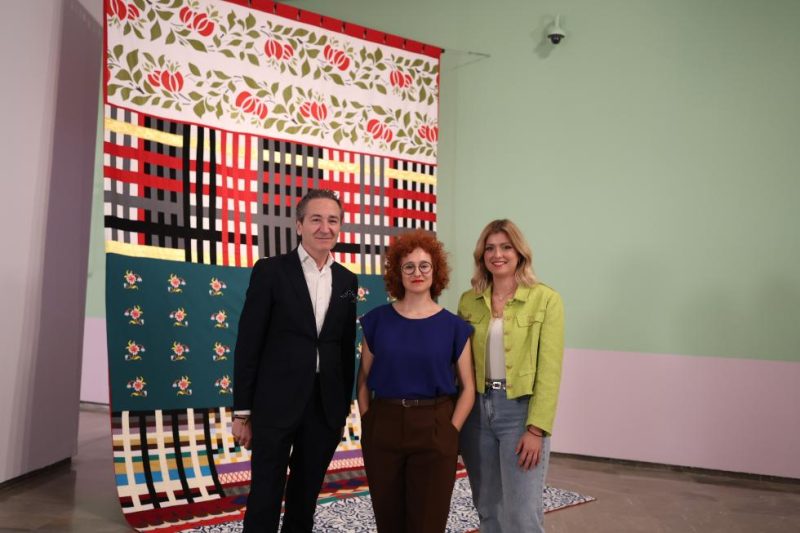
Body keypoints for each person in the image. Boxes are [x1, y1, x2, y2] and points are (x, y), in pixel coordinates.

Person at [231, 189, 358, 532]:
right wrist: (242, 411)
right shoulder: (270, 271)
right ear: (299, 225)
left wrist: (342, 408)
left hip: (324, 406)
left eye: (332, 220)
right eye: (316, 219)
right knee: (265, 494)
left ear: (339, 227)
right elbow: (248, 343)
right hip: (274, 404)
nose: (325, 227)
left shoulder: (347, 280)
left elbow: (345, 347)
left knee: (305, 496)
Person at [357, 229, 475, 533]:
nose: (417, 273)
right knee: (388, 520)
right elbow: (363, 380)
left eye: (424, 265)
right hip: (383, 425)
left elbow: (468, 388)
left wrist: (451, 430)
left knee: (428, 523)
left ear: (436, 271)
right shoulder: (376, 321)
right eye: (408, 266)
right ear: (398, 273)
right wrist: (369, 420)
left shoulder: (454, 327)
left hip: (435, 426)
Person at [458, 219, 564, 533]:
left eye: (506, 247)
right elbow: (459, 365)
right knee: (488, 507)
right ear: (482, 255)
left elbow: (550, 371)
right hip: (476, 413)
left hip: (520, 413)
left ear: (519, 253)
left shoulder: (546, 299)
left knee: (522, 513)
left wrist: (536, 428)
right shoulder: (468, 300)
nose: (497, 254)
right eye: (490, 248)